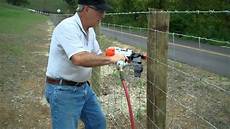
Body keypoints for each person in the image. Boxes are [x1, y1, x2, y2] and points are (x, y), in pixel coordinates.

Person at [44, 0, 126, 129]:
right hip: (63, 90)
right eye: (100, 11)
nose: (103, 15)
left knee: (98, 123)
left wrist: (119, 54)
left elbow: (97, 55)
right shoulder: (67, 27)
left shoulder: (90, 31)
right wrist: (111, 59)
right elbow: (79, 58)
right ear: (86, 9)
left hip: (83, 88)